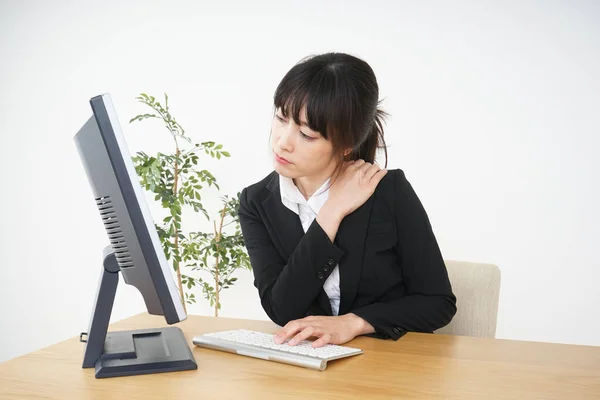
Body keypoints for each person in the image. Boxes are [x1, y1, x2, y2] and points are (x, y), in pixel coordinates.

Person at [237, 52, 456, 348]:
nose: (282, 141)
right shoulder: (256, 202)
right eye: (280, 118)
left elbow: (437, 303)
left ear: (345, 145)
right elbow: (281, 309)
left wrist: (353, 323)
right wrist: (331, 212)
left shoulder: (388, 191)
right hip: (309, 365)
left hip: (390, 361)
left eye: (306, 134)